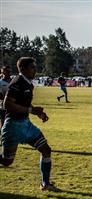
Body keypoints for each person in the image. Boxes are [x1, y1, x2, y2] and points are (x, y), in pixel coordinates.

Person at [0, 57, 60, 191]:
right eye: (32, 67)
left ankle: (45, 184)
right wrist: (31, 110)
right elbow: (7, 104)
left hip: (26, 124)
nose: (35, 70)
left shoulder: (29, 84)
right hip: (13, 126)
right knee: (7, 161)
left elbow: (25, 104)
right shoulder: (17, 82)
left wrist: (37, 113)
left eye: (35, 67)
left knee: (46, 150)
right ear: (22, 69)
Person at [0, 65, 12, 130]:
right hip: (3, 107)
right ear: (3, 72)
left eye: (10, 71)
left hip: (13, 107)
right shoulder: (0, 82)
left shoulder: (13, 81)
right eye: (7, 71)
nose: (9, 73)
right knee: (3, 124)